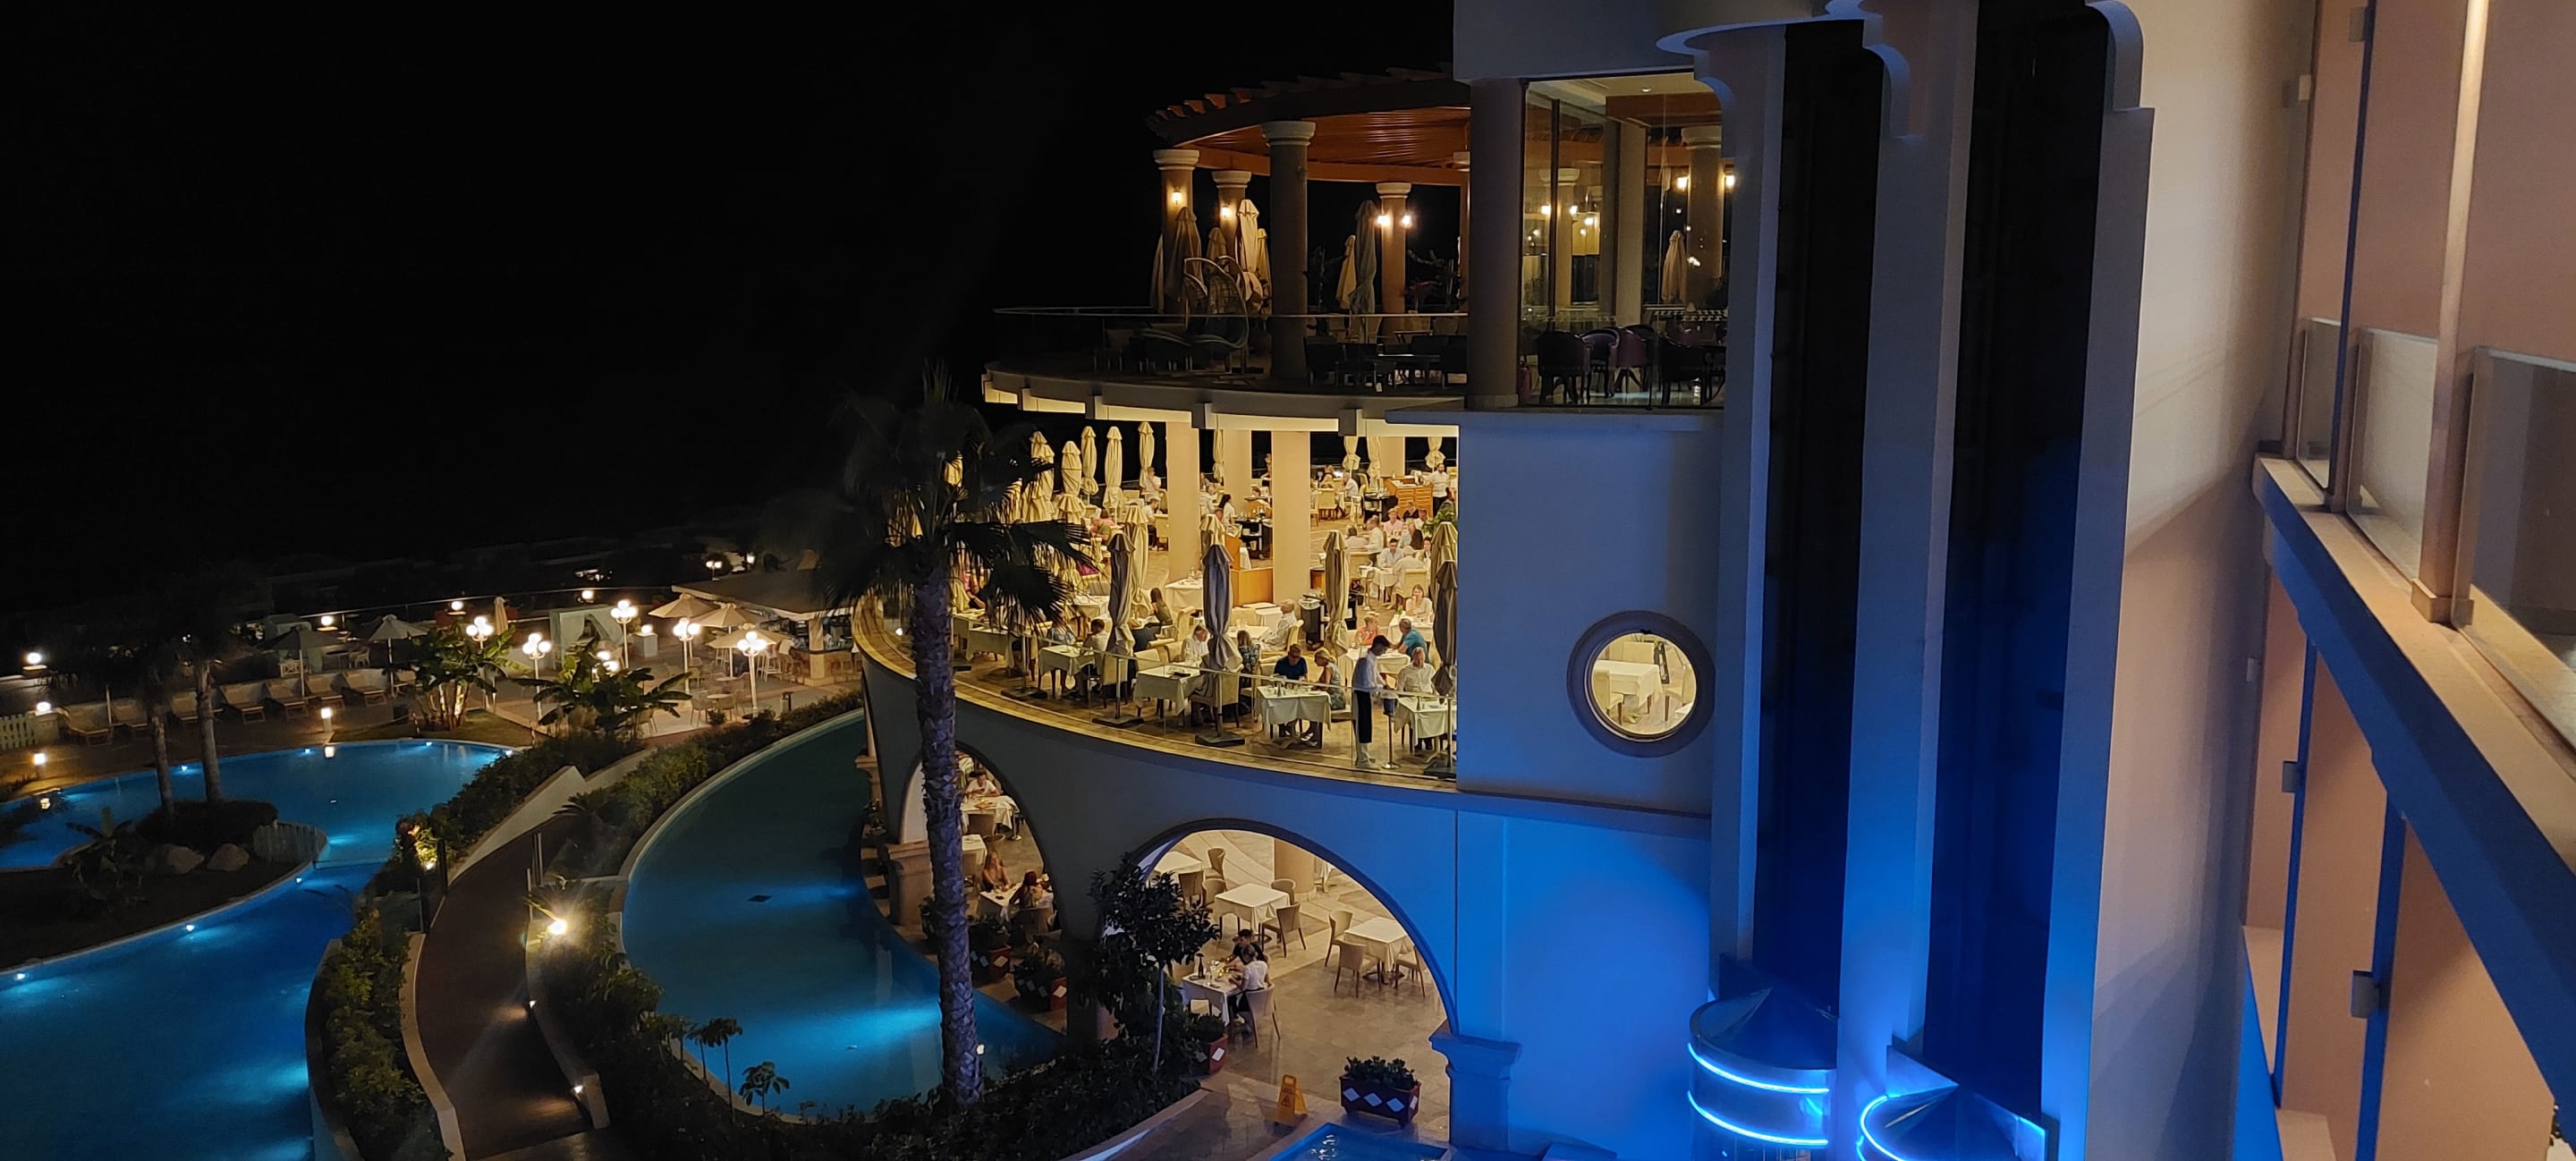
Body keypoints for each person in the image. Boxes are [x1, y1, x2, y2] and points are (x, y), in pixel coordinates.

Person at [1351, 635, 1392, 771]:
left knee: (1366, 726)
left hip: (1366, 695)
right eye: (1384, 649)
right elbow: (1367, 684)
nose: (1384, 652)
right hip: (1361, 695)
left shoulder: (1372, 659)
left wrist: (1384, 684)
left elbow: (1376, 675)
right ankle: (1362, 759)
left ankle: (1364, 755)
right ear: (1378, 646)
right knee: (1362, 727)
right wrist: (1381, 688)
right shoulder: (1365, 661)